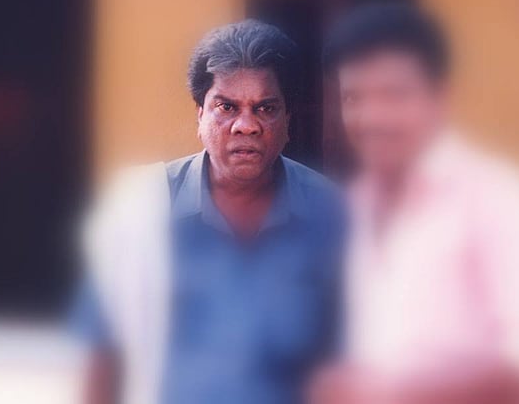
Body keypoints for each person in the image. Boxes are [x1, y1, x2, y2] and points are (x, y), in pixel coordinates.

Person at [310, 4, 519, 404]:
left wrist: (394, 394)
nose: (371, 117)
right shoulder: (358, 204)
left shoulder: (507, 203)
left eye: (393, 94)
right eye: (354, 97)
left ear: (440, 97)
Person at [70, 20, 345, 404]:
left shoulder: (331, 214)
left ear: (287, 121)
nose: (246, 125)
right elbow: (101, 355)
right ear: (200, 115)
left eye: (265, 108)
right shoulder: (140, 211)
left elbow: (352, 360)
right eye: (226, 107)